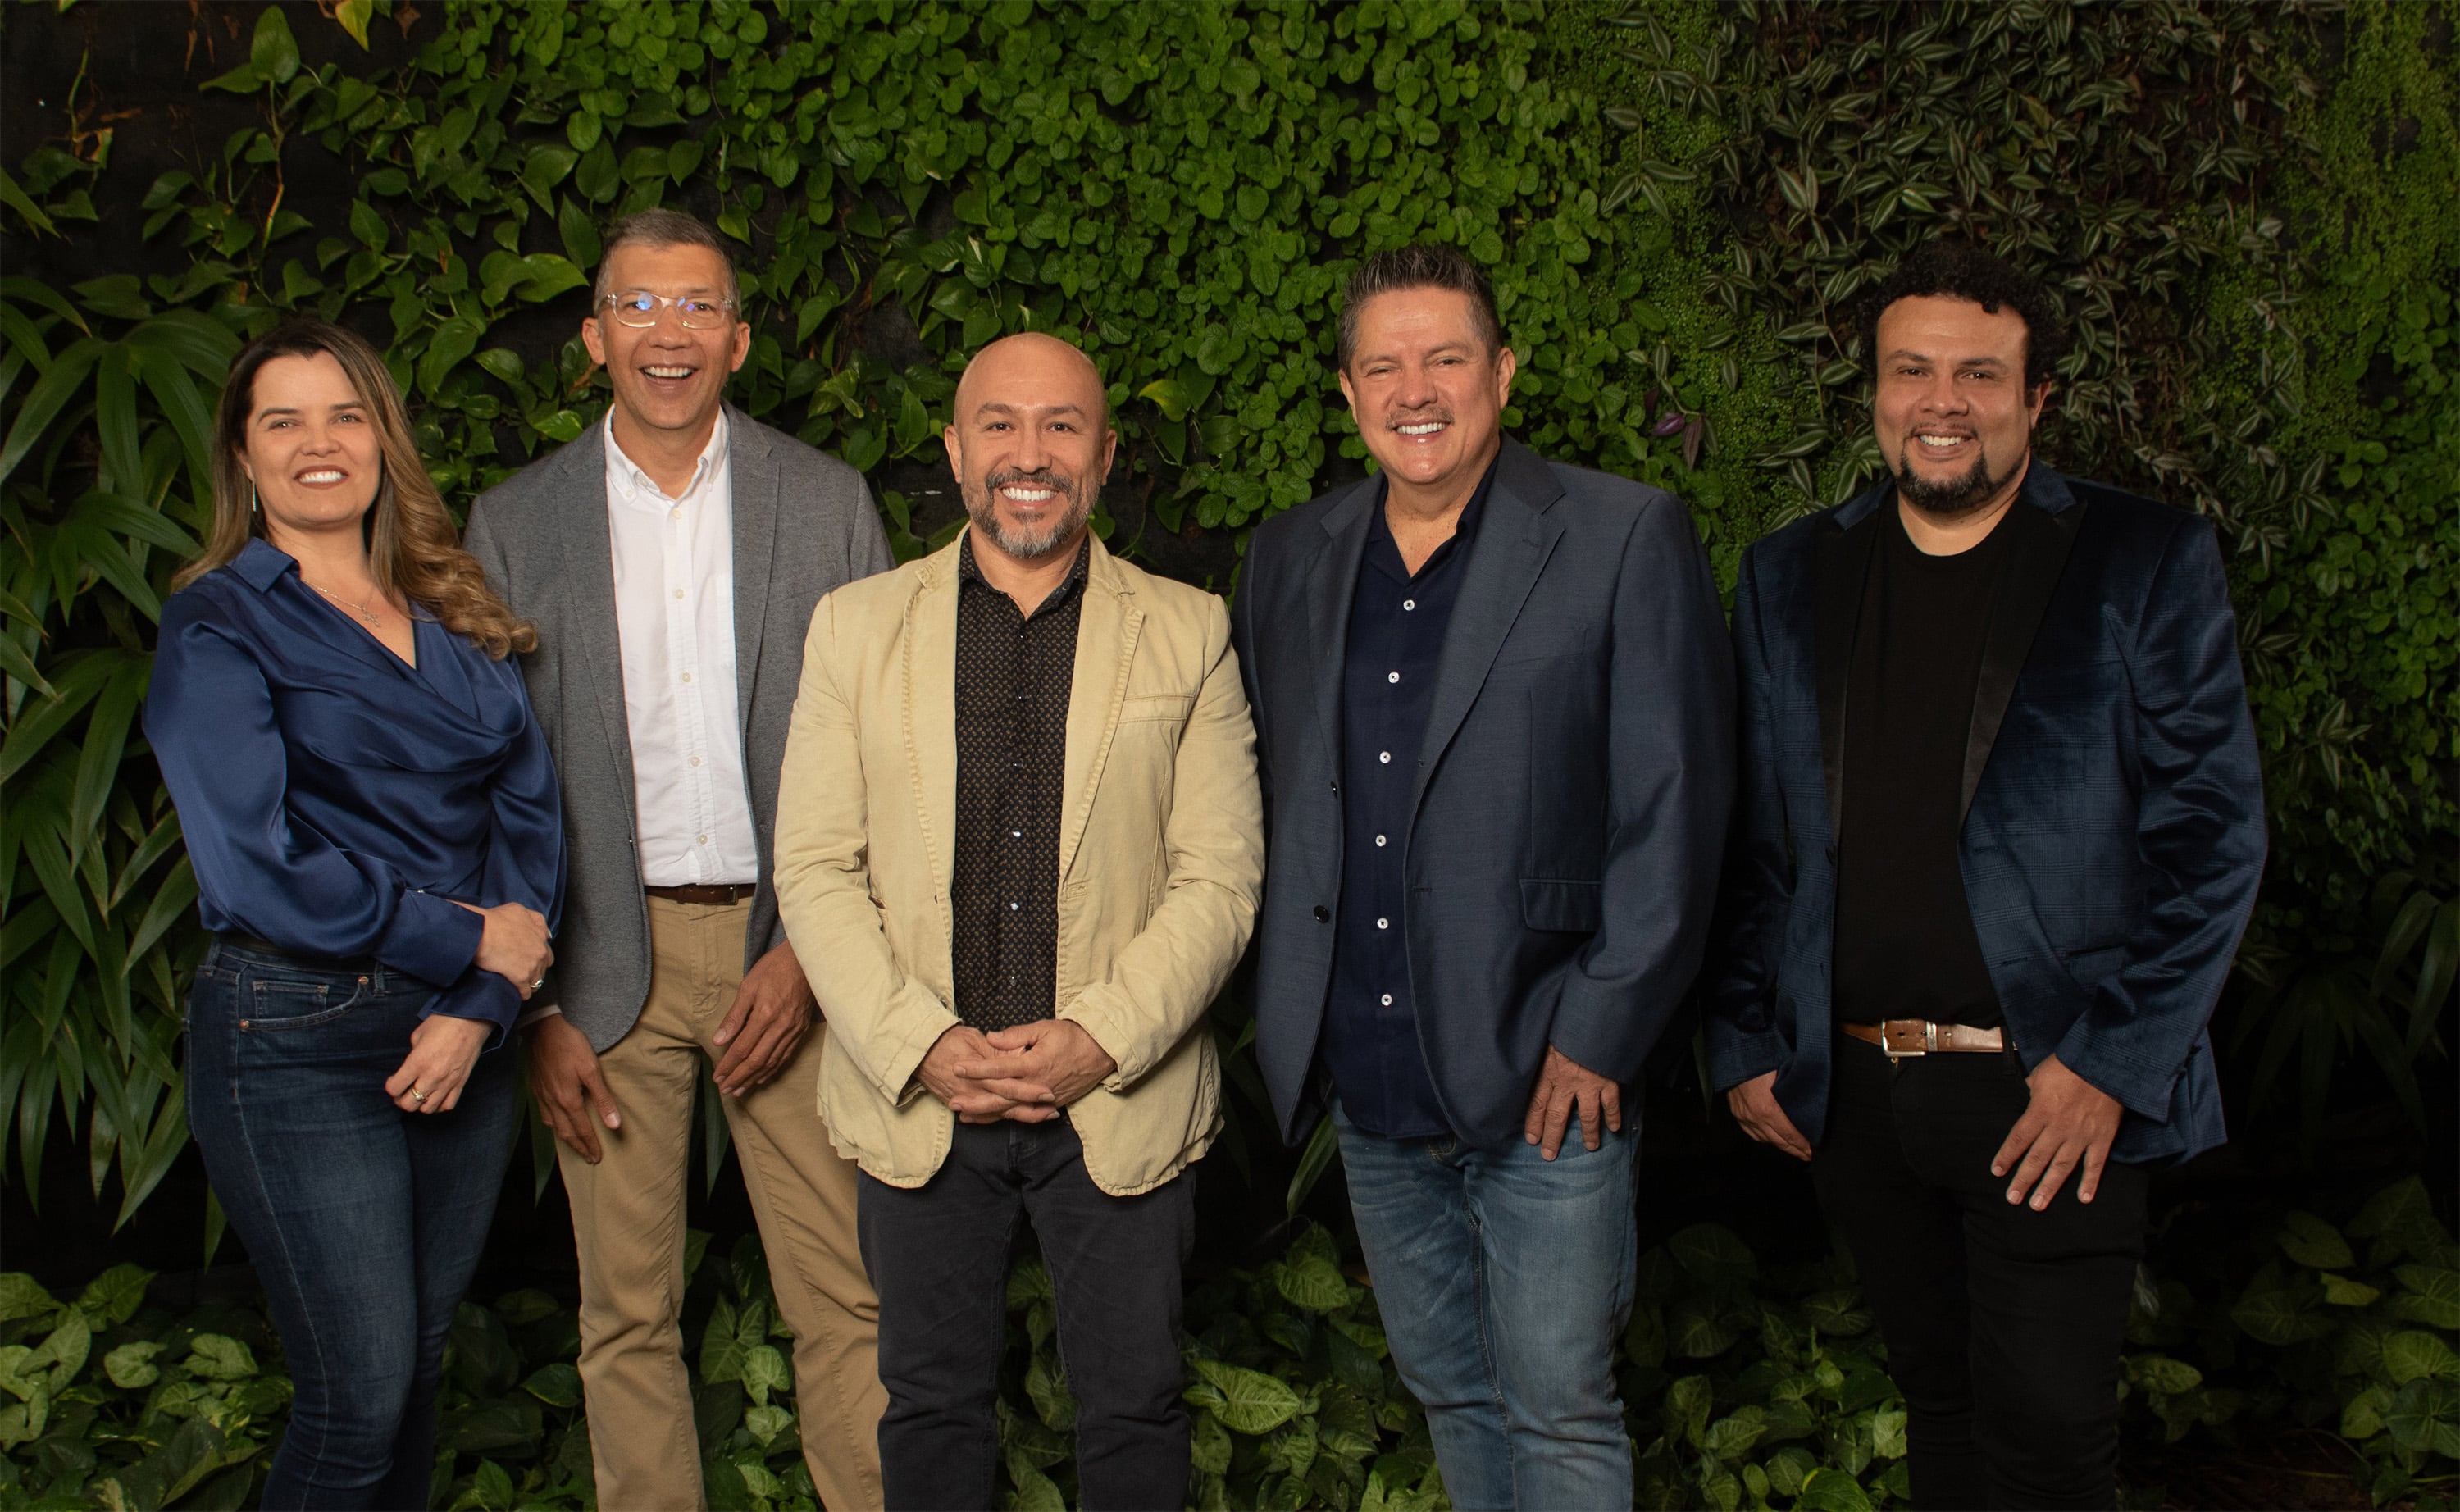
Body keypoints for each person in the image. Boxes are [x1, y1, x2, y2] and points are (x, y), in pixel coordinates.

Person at [1706, 241, 2266, 1510]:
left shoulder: (2142, 561)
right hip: (1856, 1091)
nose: (1941, 402)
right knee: (1941, 1412)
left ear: (2037, 398)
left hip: (2048, 1095)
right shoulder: (1789, 573)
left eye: (1978, 374)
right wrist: (1743, 1036)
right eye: (1912, 371)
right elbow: (1755, 839)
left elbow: (2215, 840)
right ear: (1874, 392)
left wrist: (2109, 1066)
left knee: (2049, 1448)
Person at [1232, 246, 1736, 1510]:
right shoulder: (1290, 557)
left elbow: (1676, 810)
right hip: (1369, 1076)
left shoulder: (1622, 536)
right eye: (1384, 366)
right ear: (1349, 392)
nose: (1416, 389)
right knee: (1451, 1390)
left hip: (1547, 1072)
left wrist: (1603, 1030)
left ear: (1501, 373)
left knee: (1559, 1408)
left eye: (1446, 358)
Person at [771, 331, 1264, 1510]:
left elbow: (1221, 878)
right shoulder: (854, 627)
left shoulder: (1190, 630)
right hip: (922, 1098)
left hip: (1116, 1097)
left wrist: (1100, 1038)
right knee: (929, 1410)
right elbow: (815, 867)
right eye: (999, 424)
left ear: (1105, 455)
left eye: (1060, 426)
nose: (1028, 454)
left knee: (1134, 1409)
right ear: (954, 451)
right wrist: (922, 1045)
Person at [461, 209, 893, 1512]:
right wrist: (536, 1004)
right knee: (624, 1315)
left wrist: (812, 953)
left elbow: (890, 752)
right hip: (600, 955)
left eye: (698, 304)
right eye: (639, 305)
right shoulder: (515, 524)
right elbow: (492, 784)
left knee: (849, 1301)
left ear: (738, 340)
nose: (669, 331)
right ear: (595, 337)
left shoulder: (825, 502)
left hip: (792, 945)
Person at [148, 318, 563, 1510]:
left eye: (345, 415)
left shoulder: (450, 603)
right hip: (294, 1035)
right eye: (283, 421)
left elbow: (528, 818)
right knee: (356, 1400)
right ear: (243, 456)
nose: (318, 443)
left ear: (383, 440)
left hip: (460, 1039)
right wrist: (466, 939)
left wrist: (481, 1002)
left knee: (415, 1378)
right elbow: (255, 867)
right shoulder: (217, 622)